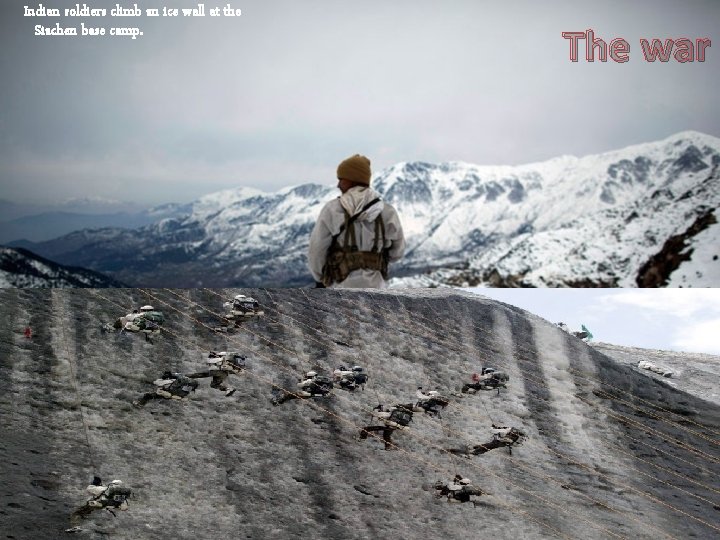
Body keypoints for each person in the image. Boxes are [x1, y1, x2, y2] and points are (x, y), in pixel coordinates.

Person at [308, 154, 405, 288]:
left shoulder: (332, 209)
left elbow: (317, 250)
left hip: (340, 290)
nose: (338, 184)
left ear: (351, 180)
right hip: (378, 290)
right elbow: (397, 252)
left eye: (341, 179)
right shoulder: (387, 211)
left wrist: (320, 278)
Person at [133, 370, 198, 407]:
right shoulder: (187, 382)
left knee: (149, 395)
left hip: (170, 392)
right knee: (153, 393)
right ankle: (141, 403)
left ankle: (140, 404)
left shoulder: (183, 380)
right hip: (173, 392)